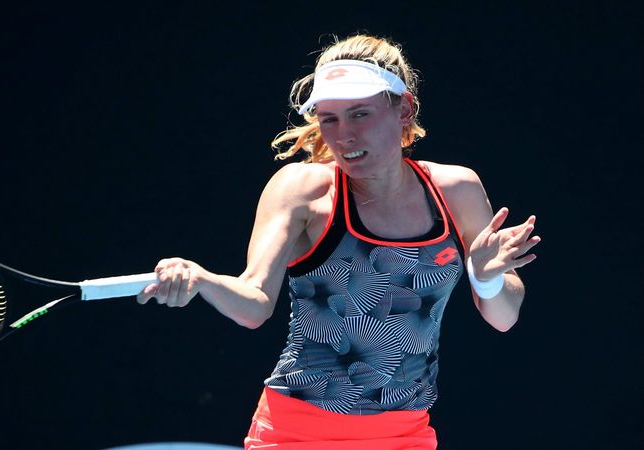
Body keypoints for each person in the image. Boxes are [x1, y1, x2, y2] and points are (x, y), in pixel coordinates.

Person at [136, 33, 540, 450]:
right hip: (296, 434)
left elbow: (503, 317)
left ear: (404, 109)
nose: (343, 135)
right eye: (329, 118)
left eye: (359, 114)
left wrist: (486, 277)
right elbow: (253, 303)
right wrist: (201, 279)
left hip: (406, 435)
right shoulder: (303, 190)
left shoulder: (457, 189)